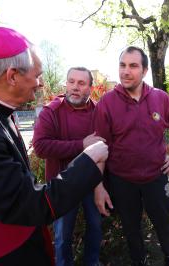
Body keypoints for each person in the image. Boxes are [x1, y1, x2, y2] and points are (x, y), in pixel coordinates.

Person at [0, 26, 108, 266]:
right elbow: (27, 204)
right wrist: (88, 158)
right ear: (12, 76)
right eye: (37, 74)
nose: (40, 83)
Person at [93, 46, 169, 266]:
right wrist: (98, 187)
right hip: (122, 180)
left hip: (156, 176)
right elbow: (99, 148)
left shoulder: (161, 99)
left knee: (164, 221)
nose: (126, 71)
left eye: (133, 66)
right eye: (122, 65)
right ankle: (139, 260)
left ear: (144, 71)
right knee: (130, 226)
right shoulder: (107, 103)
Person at [33, 67, 104, 266]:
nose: (75, 87)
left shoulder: (99, 112)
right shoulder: (51, 111)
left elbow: (104, 147)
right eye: (71, 81)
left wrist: (101, 185)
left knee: (96, 227)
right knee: (63, 235)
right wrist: (82, 145)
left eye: (81, 83)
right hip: (62, 183)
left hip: (92, 182)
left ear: (90, 88)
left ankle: (92, 262)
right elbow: (40, 147)